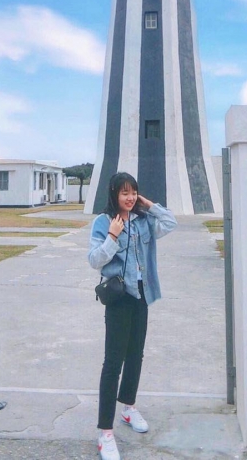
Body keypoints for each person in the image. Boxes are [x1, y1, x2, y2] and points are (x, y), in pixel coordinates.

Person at [88, 172, 177, 460]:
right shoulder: (103, 222)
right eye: (124, 192)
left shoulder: (143, 219)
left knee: (135, 355)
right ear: (113, 194)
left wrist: (148, 204)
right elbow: (95, 260)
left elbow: (170, 223)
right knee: (113, 362)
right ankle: (105, 432)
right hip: (119, 297)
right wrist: (113, 235)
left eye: (133, 192)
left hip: (142, 294)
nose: (129, 197)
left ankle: (128, 406)